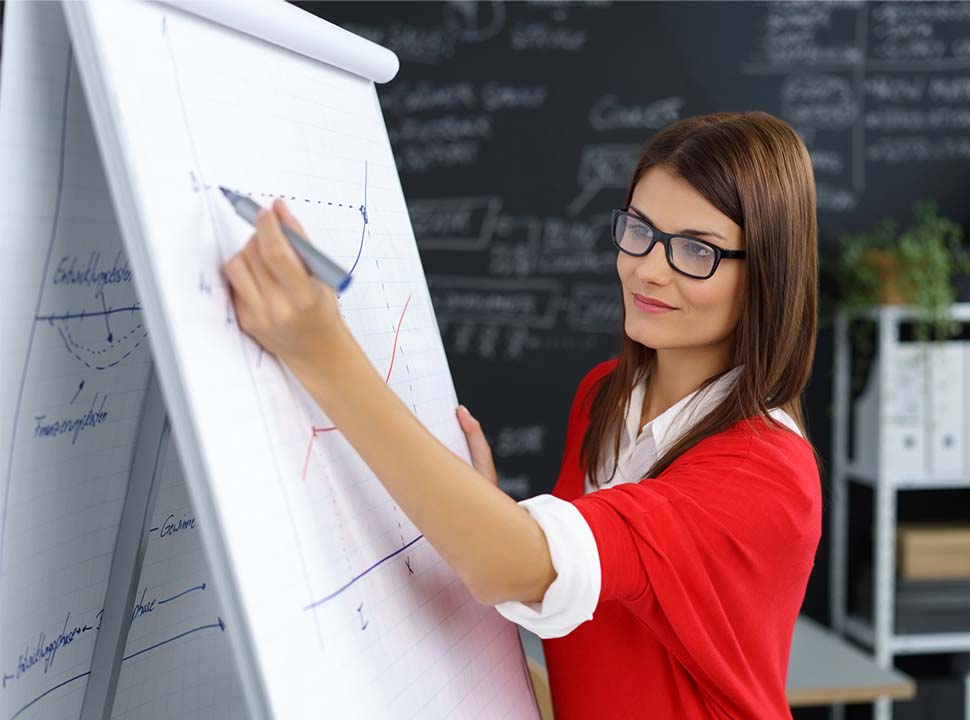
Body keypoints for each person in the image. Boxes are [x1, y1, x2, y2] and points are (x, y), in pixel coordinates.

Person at [222, 110, 822, 719]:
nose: (648, 267)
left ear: (766, 274)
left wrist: (319, 351)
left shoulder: (762, 473)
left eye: (697, 249)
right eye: (640, 229)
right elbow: (598, 637)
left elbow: (513, 569)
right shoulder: (604, 397)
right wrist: (481, 521)